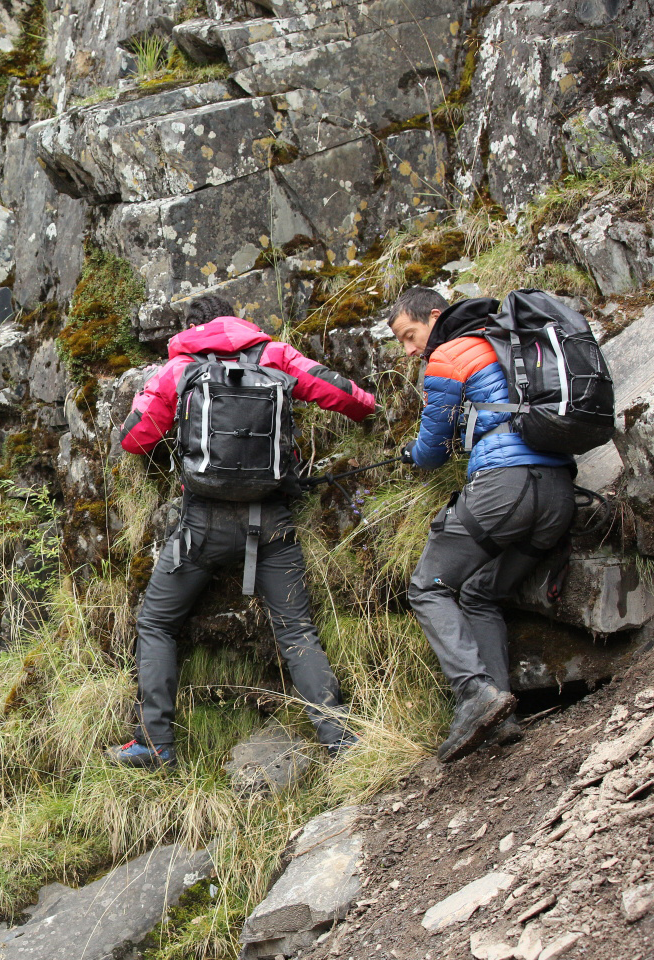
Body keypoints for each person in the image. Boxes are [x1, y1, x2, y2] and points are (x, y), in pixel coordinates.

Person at [106, 294, 377, 767]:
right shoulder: (275, 355)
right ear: (235, 319)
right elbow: (347, 396)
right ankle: (341, 741)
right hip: (273, 521)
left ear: (191, 328)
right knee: (297, 630)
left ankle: (156, 745)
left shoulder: (179, 370)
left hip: (201, 528)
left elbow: (135, 439)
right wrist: (369, 406)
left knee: (156, 623)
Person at [390, 286, 576, 763]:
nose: (410, 351)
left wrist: (412, 454)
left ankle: (475, 693)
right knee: (480, 593)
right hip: (558, 493)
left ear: (435, 316)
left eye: (410, 336)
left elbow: (433, 448)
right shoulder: (507, 341)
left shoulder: (451, 354)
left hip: (504, 491)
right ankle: (502, 718)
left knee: (428, 588)